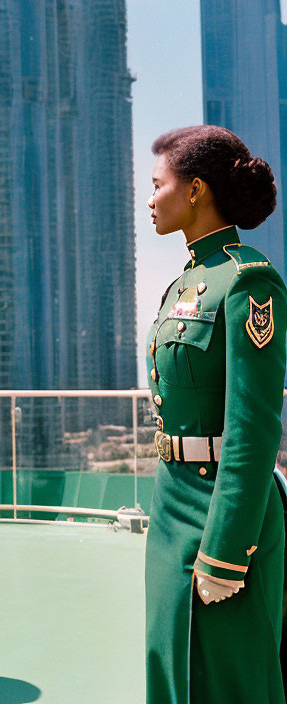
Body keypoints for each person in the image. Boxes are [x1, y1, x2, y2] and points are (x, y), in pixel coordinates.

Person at [144, 125, 287, 703]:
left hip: (221, 514)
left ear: (196, 189)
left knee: (228, 682)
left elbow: (253, 428)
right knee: (169, 666)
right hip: (170, 503)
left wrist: (226, 551)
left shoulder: (247, 281)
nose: (150, 198)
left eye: (158, 185)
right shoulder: (185, 282)